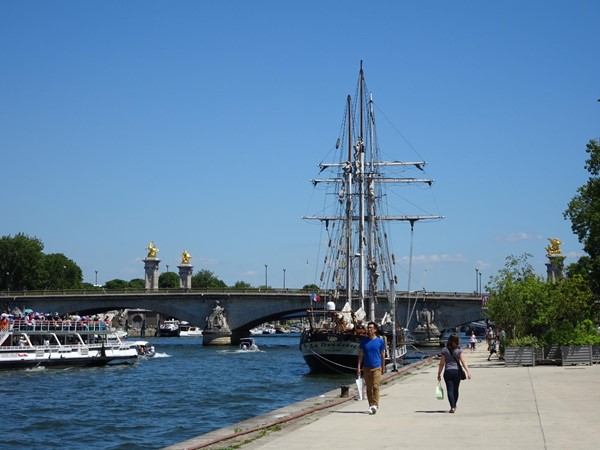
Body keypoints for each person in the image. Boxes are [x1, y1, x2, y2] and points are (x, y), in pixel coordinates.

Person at [437, 335, 471, 413]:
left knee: (450, 389)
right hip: (457, 371)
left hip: (448, 371)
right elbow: (463, 361)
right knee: (456, 389)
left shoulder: (444, 350)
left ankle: (452, 406)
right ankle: (454, 405)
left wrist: (439, 373)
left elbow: (441, 363)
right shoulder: (459, 350)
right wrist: (468, 371)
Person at [357, 321, 386, 415]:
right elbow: (361, 354)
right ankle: (371, 404)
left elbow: (382, 355)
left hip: (376, 366)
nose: (369, 329)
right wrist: (358, 367)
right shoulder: (364, 341)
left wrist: (383, 366)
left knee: (375, 386)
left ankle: (375, 404)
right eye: (368, 328)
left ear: (375, 330)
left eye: (371, 328)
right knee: (369, 388)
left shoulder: (379, 341)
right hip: (366, 367)